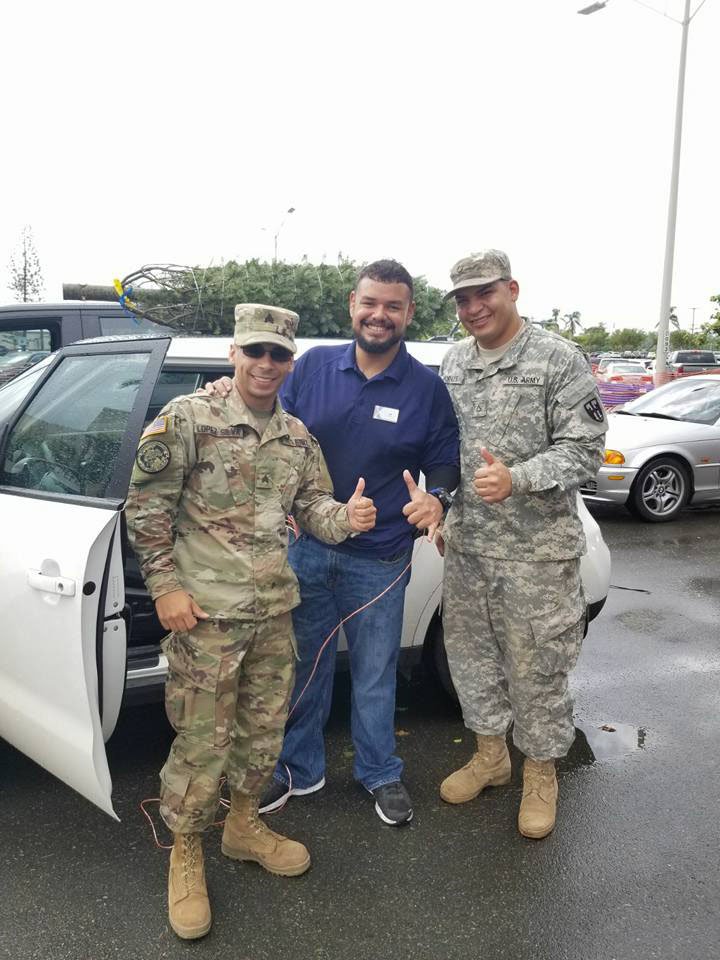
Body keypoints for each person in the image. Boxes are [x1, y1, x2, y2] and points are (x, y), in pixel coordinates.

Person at [125, 304, 376, 940]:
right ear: (234, 354)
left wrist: (347, 518)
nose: (267, 364)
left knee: (262, 731)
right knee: (202, 738)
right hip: (205, 614)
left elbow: (313, 506)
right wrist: (165, 589)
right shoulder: (187, 419)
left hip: (272, 613)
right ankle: (186, 850)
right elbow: (147, 509)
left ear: (291, 363)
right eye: (255, 351)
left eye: (278, 355)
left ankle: (241, 827)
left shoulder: (296, 436)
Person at [204, 260, 460, 826]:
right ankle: (301, 767)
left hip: (382, 558)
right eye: (371, 303)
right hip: (306, 549)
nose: (380, 315)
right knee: (304, 666)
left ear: (408, 313)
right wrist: (227, 387)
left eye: (393, 306)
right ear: (352, 303)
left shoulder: (426, 388)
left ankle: (380, 771)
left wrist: (436, 496)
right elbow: (261, 408)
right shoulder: (313, 366)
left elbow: (444, 459)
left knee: (374, 673)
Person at [436, 250, 607, 839]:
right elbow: (439, 444)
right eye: (462, 298)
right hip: (467, 550)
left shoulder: (558, 359)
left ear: (512, 289)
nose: (474, 307)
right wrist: (438, 502)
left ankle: (540, 773)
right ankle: (491, 757)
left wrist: (519, 477)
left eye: (485, 293)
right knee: (473, 663)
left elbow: (586, 449)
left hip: (538, 554)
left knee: (538, 669)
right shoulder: (453, 363)